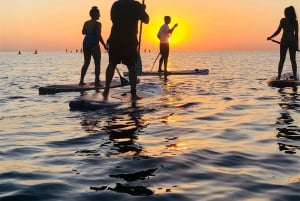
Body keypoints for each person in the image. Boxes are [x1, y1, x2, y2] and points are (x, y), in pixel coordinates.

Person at [103, 0, 149, 100]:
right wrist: (142, 10)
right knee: (131, 66)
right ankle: (133, 92)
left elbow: (113, 19)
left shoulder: (116, 4)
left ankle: (106, 89)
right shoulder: (136, 5)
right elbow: (146, 20)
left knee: (112, 64)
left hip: (115, 37)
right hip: (129, 39)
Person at [267, 6, 299, 80]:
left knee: (282, 59)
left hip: (285, 42)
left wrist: (270, 37)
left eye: (286, 12)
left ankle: (278, 77)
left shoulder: (283, 20)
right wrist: (297, 46)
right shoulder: (295, 22)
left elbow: (278, 31)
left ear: (288, 13)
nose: (285, 14)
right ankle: (295, 78)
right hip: (292, 42)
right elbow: (296, 35)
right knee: (293, 60)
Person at [79, 6, 107, 86]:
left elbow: (83, 32)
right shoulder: (98, 24)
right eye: (98, 14)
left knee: (86, 62)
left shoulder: (86, 23)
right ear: (95, 14)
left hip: (86, 43)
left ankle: (81, 81)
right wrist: (104, 45)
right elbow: (98, 35)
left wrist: (89, 30)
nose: (99, 15)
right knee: (97, 63)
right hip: (94, 44)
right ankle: (97, 80)